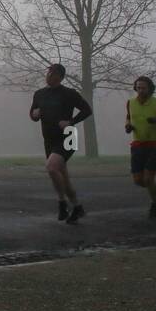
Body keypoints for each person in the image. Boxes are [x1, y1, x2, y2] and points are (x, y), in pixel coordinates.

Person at [28, 63, 93, 223]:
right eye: (48, 73)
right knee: (62, 176)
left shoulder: (69, 94)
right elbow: (33, 114)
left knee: (51, 167)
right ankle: (77, 207)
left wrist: (71, 121)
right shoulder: (39, 94)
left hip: (68, 137)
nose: (48, 76)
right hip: (49, 139)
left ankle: (62, 203)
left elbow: (87, 110)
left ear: (60, 77)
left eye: (52, 74)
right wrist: (34, 114)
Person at [124, 75, 156, 218]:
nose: (140, 90)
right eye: (138, 88)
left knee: (148, 179)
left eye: (143, 88)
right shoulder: (130, 102)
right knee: (138, 180)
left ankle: (154, 205)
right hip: (137, 144)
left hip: (155, 145)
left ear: (150, 89)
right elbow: (128, 116)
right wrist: (127, 126)